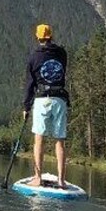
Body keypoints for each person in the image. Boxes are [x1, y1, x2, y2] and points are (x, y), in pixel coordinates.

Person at [22, 23, 69, 188]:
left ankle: (37, 177)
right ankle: (61, 181)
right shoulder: (62, 53)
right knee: (60, 140)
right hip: (60, 99)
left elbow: (30, 84)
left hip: (42, 99)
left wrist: (26, 107)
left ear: (38, 37)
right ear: (51, 36)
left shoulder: (34, 57)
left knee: (39, 138)